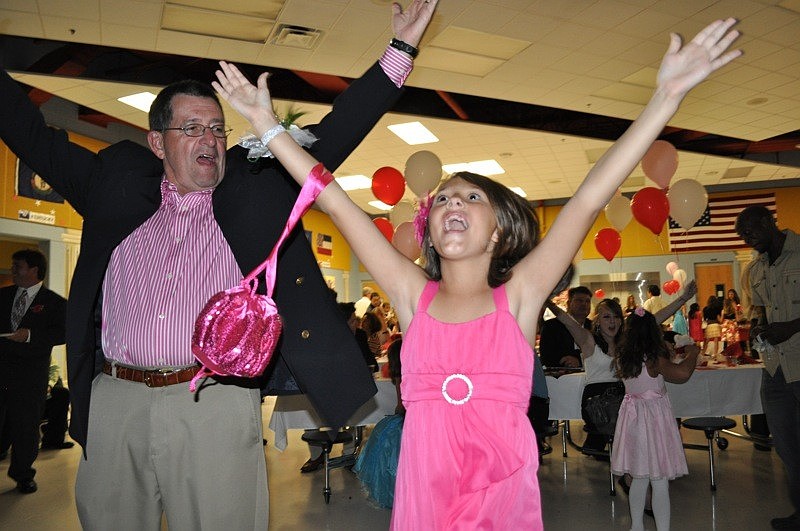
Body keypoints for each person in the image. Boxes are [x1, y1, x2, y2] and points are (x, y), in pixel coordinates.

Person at [213, 16, 741, 529]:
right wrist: (266, 127)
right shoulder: (409, 293)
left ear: (497, 232)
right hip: (425, 496)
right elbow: (332, 197)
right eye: (442, 198)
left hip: (502, 501)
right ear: (432, 227)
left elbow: (588, 198)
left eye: (471, 196)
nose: (452, 202)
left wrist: (664, 99)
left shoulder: (520, 297)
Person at [0, 1, 437, 526]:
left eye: (216, 128)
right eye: (192, 129)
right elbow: (30, 135)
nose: (209, 139)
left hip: (214, 400)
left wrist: (401, 49)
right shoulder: (112, 186)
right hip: (116, 401)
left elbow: (336, 132)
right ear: (156, 142)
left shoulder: (252, 191)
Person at [736, 205, 800, 530]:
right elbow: (761, 312)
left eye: (749, 232)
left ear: (766, 221)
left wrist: (791, 327)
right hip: (774, 369)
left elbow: (788, 321)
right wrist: (759, 328)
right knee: (788, 447)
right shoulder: (756, 269)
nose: (747, 240)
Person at [611, 307, 700, 531]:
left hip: (633, 417)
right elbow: (682, 375)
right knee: (659, 479)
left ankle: (637, 526)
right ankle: (662, 528)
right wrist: (693, 353)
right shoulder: (653, 359)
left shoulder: (623, 355)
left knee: (639, 477)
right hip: (654, 418)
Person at [0, 249, 67, 494]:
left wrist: (30, 336)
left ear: (34, 270)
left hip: (30, 377)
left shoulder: (55, 303)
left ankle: (23, 474)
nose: (12, 270)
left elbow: (63, 333)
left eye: (17, 266)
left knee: (26, 428)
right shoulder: (3, 296)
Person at [353, 338, 405, 508]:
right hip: (412, 420)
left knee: (386, 449)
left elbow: (400, 405)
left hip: (404, 419)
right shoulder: (412, 372)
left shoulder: (398, 376)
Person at [539, 286, 593, 369]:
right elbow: (546, 357)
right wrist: (565, 361)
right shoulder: (552, 326)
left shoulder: (593, 327)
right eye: (579, 300)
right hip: (561, 378)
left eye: (587, 301)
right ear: (568, 303)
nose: (584, 304)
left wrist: (579, 360)